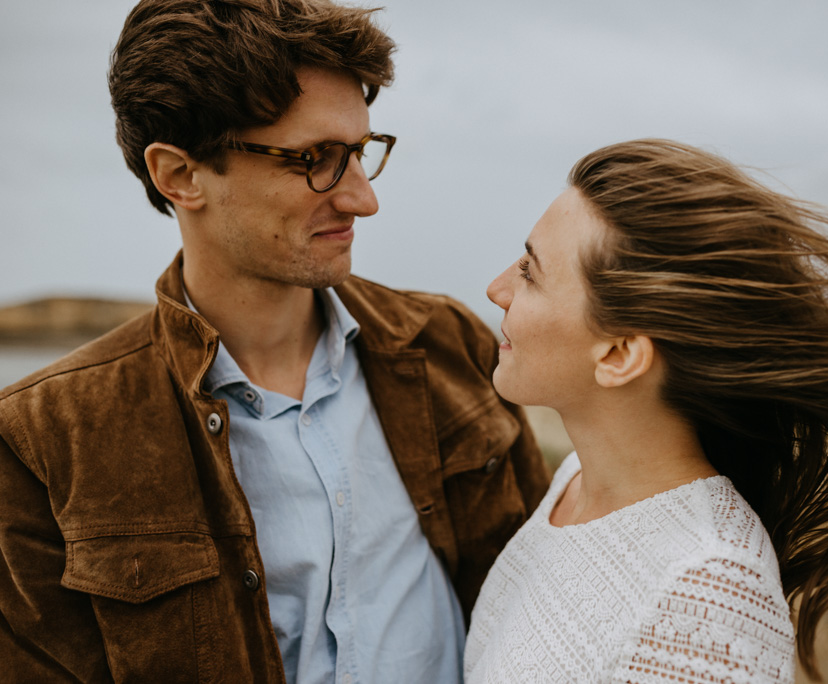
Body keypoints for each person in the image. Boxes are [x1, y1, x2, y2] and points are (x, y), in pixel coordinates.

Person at [0, 1, 548, 682]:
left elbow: (543, 596)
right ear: (179, 175)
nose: (360, 199)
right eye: (314, 159)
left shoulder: (448, 342)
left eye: (360, 153)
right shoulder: (42, 437)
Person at [464, 138, 828, 683]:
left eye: (530, 273)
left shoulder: (707, 595)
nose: (496, 289)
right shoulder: (576, 483)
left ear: (618, 354)